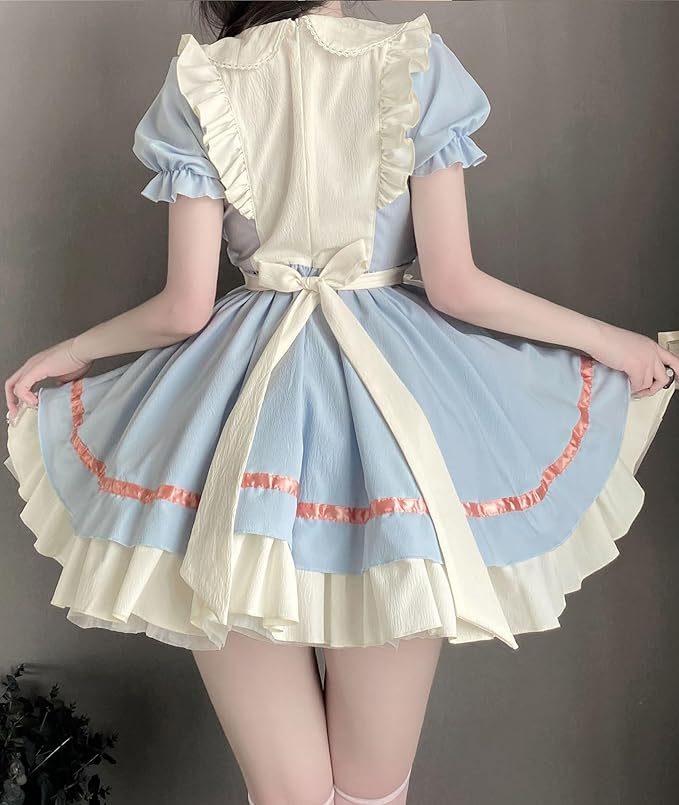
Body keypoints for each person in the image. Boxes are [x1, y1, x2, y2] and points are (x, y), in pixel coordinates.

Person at [4, 1, 678, 803]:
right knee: (372, 790)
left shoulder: (203, 80)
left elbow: (184, 308)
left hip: (236, 415)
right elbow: (456, 286)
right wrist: (610, 340)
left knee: (288, 794)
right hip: (391, 417)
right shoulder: (412, 61)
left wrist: (71, 352)